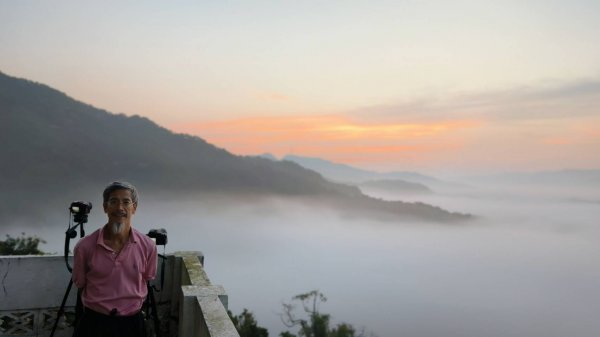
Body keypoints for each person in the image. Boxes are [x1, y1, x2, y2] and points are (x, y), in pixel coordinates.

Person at [72, 181, 157, 337]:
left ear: (134, 208)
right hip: (94, 323)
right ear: (105, 207)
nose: (120, 208)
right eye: (113, 202)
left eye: (126, 202)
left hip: (132, 324)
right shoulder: (85, 247)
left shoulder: (147, 246)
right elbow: (80, 282)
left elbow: (147, 277)